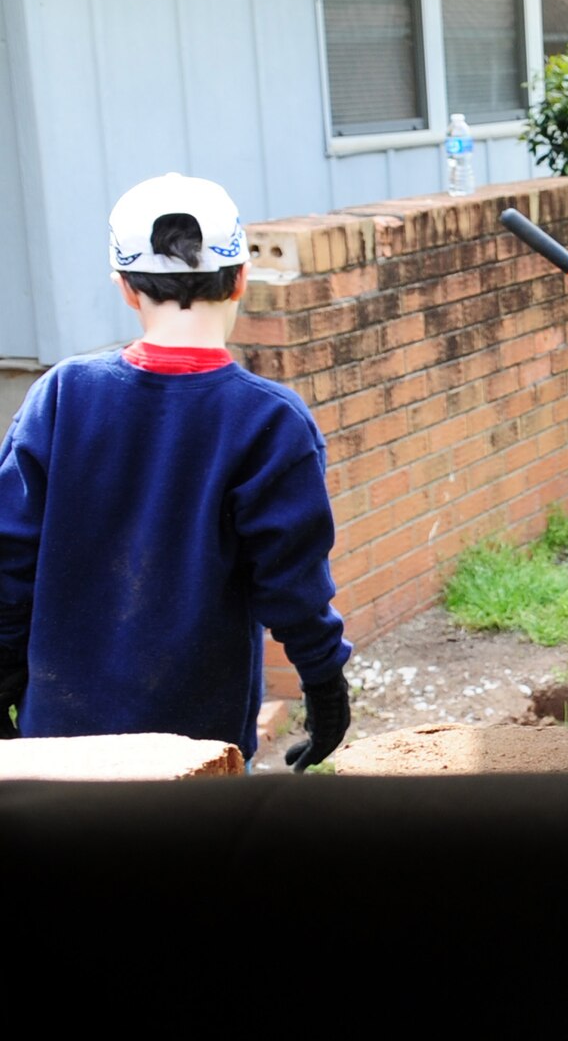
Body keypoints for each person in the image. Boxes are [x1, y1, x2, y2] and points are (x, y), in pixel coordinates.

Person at [0, 173, 351, 772]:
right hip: (196, 746)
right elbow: (292, 582)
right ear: (241, 277)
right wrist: (325, 689)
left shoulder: (60, 396)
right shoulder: (271, 421)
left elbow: (10, 560)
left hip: (61, 740)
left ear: (125, 289)